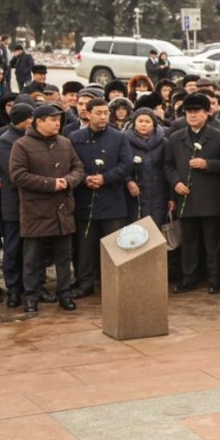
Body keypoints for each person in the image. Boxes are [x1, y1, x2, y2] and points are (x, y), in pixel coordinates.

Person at [9, 104, 85, 313]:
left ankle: (65, 295)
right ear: (39, 121)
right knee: (33, 259)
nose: (57, 123)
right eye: (52, 120)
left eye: (59, 120)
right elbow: (18, 175)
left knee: (64, 257)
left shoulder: (65, 142)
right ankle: (31, 297)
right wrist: (50, 184)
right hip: (36, 211)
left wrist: (68, 181)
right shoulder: (22, 145)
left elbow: (78, 168)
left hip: (63, 210)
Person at [164, 93, 220, 294]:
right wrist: (175, 182)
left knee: (213, 243)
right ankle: (189, 278)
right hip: (186, 197)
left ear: (206, 113)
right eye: (188, 112)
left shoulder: (219, 136)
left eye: (196, 111)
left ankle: (215, 278)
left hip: (211, 198)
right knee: (189, 241)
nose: (192, 116)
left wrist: (208, 164)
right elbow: (168, 165)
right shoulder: (176, 138)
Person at [68, 98, 134, 298]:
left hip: (111, 199)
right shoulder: (75, 137)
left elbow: (126, 164)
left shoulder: (118, 137)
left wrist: (105, 178)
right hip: (85, 198)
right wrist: (85, 179)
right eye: (98, 113)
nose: (103, 116)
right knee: (85, 246)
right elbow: (70, 165)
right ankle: (85, 282)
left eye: (106, 112)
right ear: (87, 114)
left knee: (115, 245)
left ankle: (116, 282)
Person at [0, 103, 33, 307]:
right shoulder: (5, 141)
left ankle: (29, 287)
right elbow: (14, 173)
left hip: (30, 202)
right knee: (13, 246)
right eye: (30, 117)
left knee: (29, 247)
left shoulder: (28, 138)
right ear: (22, 120)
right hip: (13, 202)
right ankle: (14, 288)